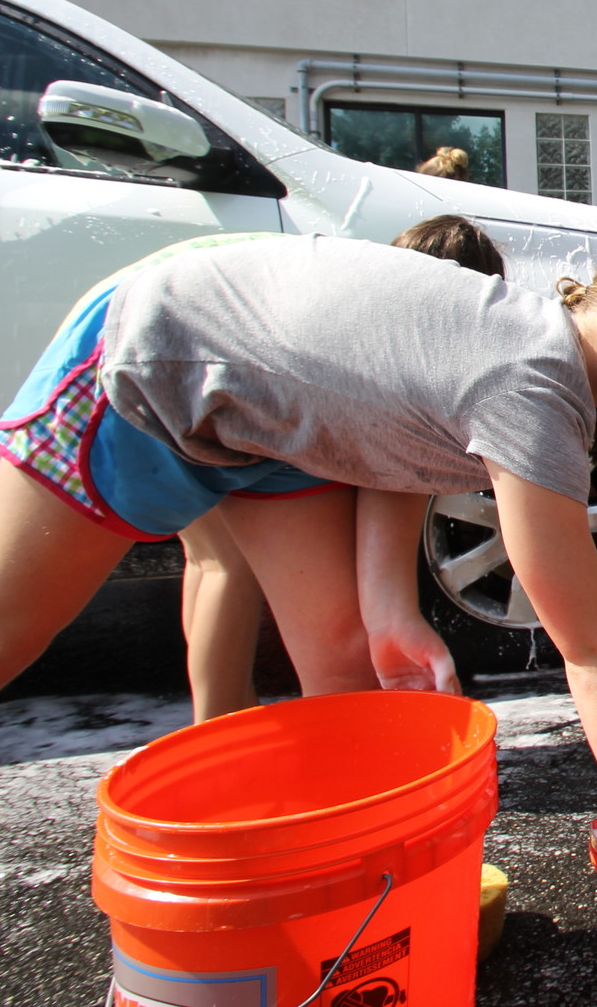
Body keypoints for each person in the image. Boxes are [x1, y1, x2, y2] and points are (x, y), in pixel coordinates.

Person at [0, 229, 597, 873]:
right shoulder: (534, 381)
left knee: (342, 663)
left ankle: (357, 897)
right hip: (154, 356)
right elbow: (593, 649)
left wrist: (387, 606)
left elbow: (399, 438)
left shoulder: (536, 360)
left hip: (266, 432)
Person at [176, 214, 506, 721]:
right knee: (319, 634)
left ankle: (216, 728)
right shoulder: (412, 351)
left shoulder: (357, 298)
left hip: (171, 358)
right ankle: (227, 734)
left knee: (212, 562)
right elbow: (392, 481)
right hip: (233, 384)